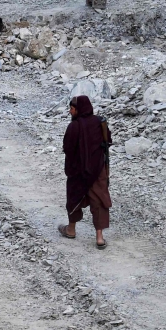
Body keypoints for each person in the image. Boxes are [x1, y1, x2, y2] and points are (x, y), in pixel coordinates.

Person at [59, 95, 112, 249]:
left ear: (78, 109)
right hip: (97, 170)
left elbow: (67, 148)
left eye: (72, 108)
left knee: (74, 198)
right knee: (99, 200)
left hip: (78, 171)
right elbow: (107, 140)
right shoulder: (99, 122)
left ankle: (71, 229)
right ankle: (100, 238)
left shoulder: (74, 126)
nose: (70, 111)